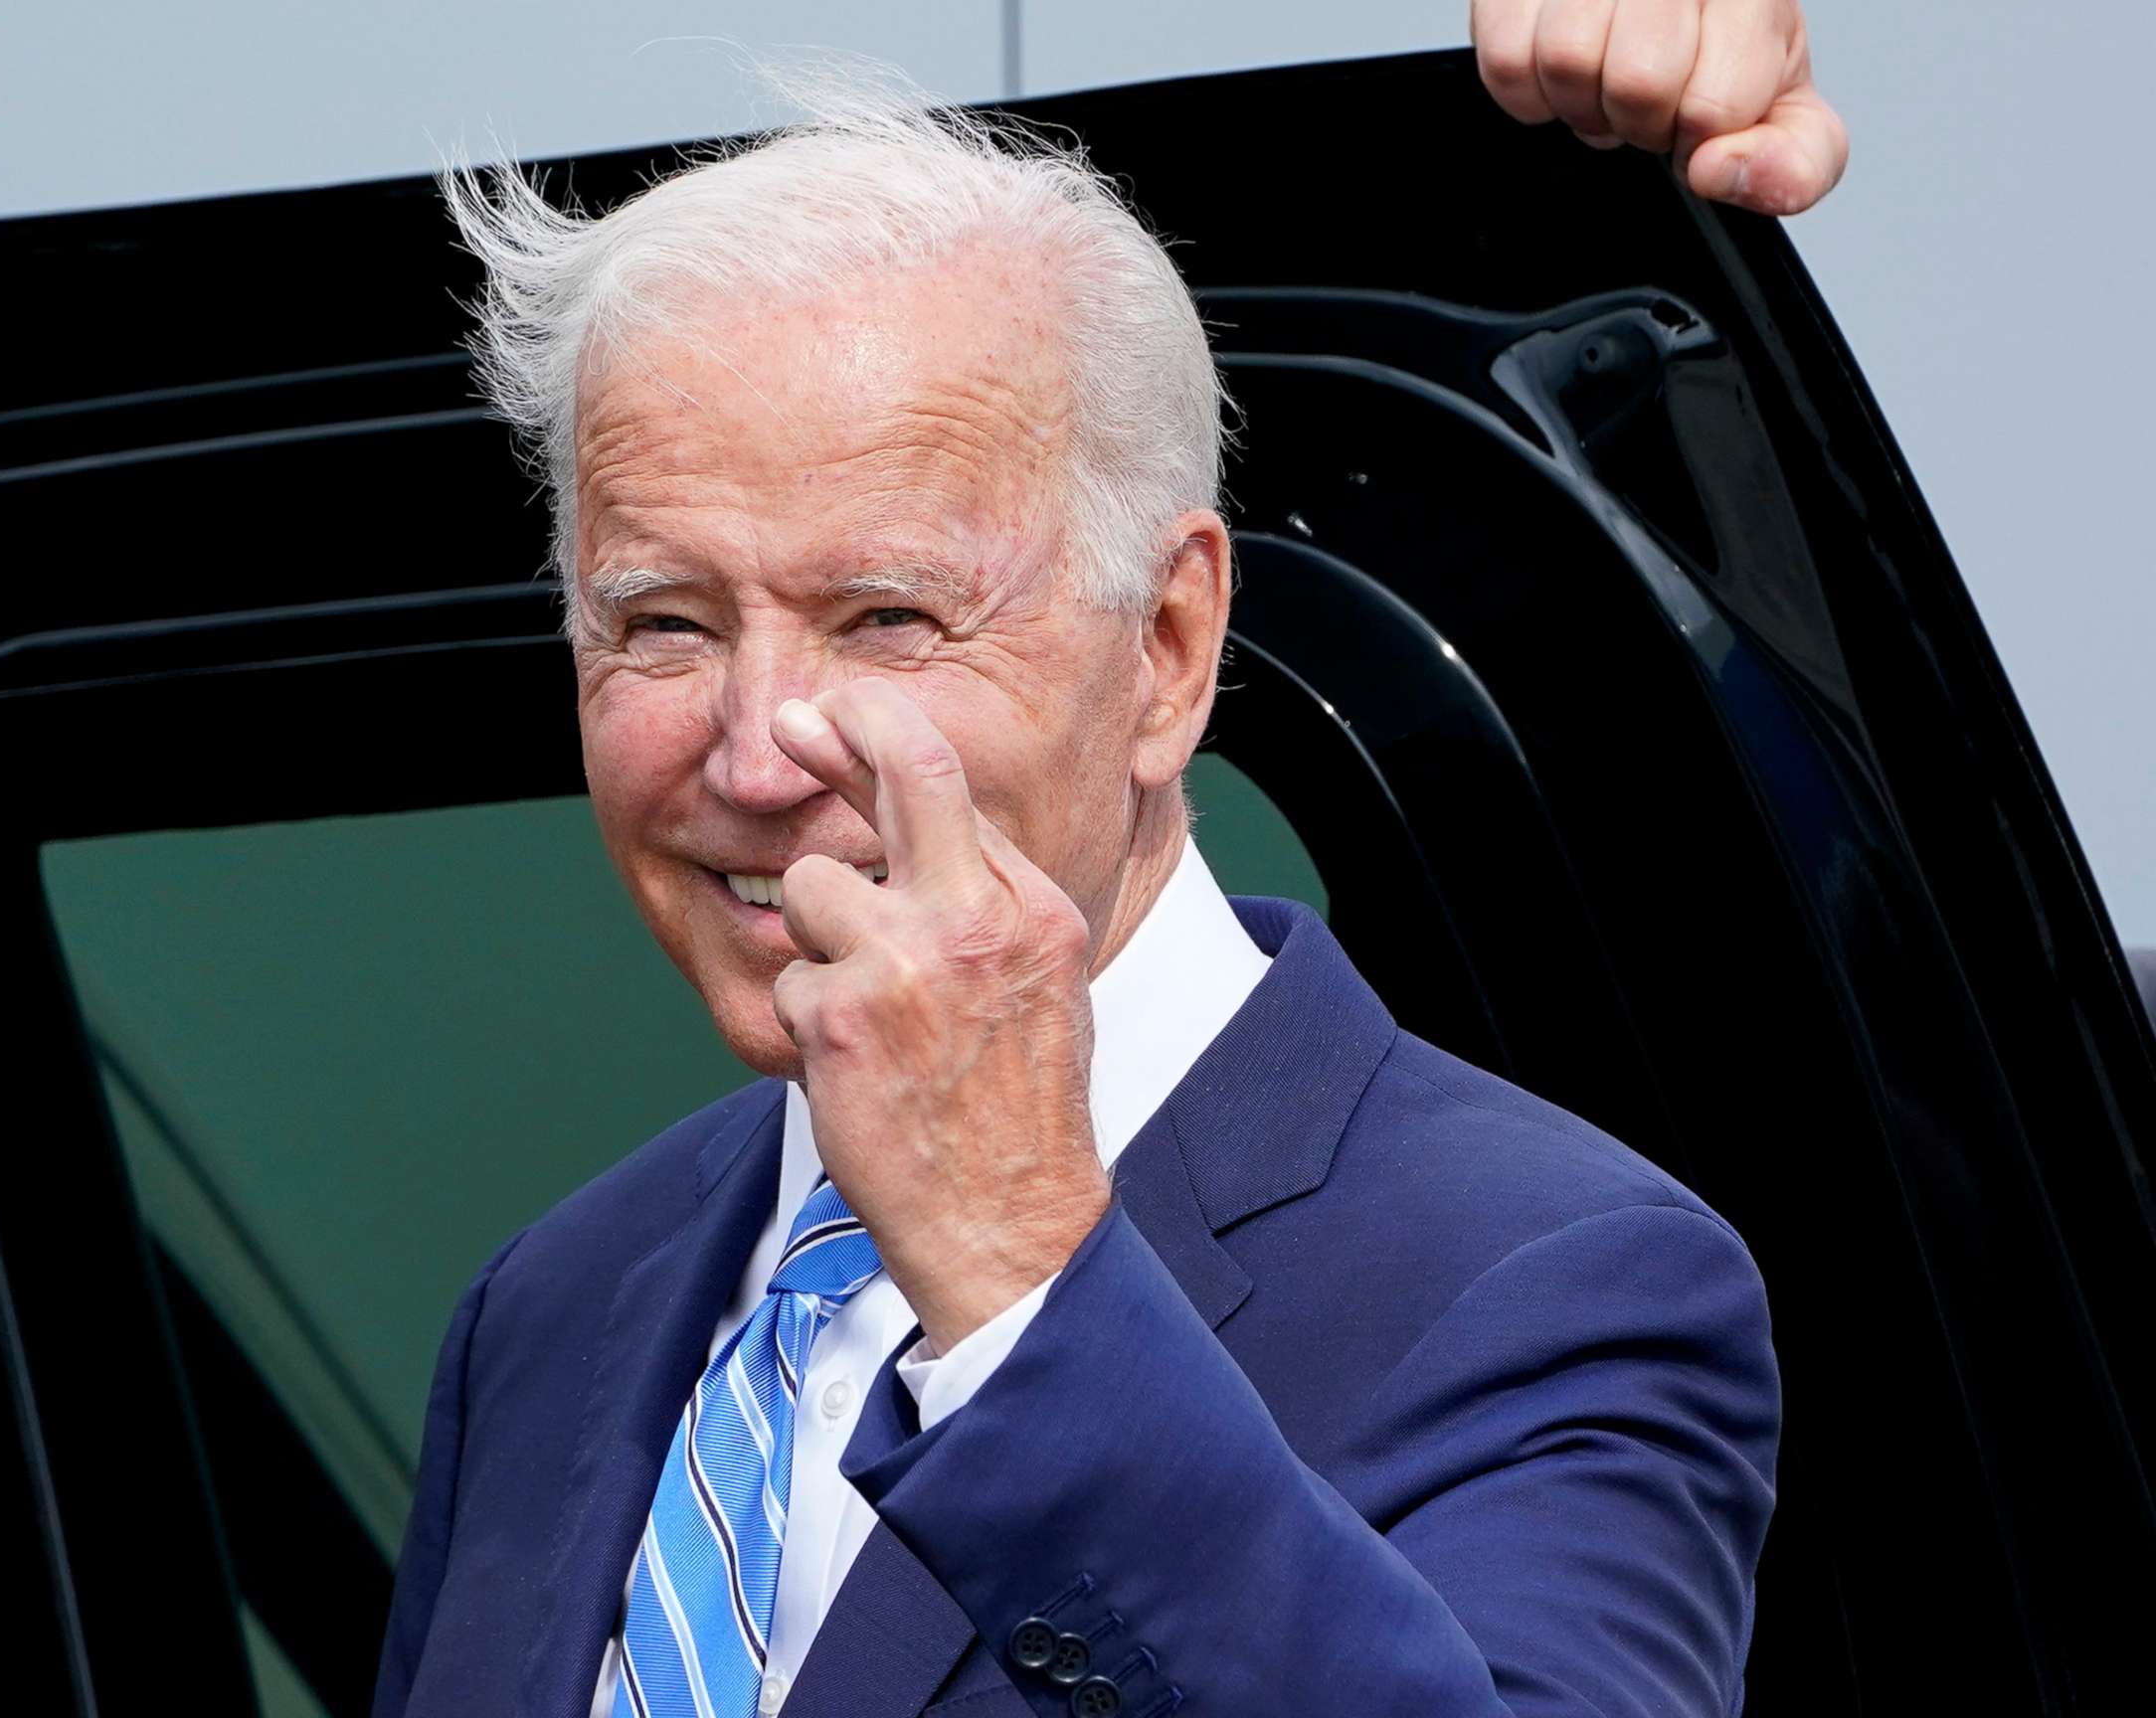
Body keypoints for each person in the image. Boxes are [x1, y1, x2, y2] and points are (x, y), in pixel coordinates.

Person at [374, 6, 1845, 1716]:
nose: (758, 744)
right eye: (664, 623)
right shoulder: (553, 1308)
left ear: (1165, 645)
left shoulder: (1557, 1281)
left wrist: (1013, 1269)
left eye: (887, 619)